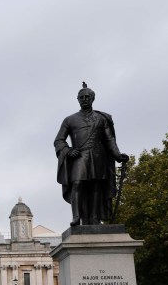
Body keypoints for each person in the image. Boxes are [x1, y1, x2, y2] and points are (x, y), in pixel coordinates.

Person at [54, 82, 129, 226]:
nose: (84, 99)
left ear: (93, 98)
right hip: (79, 156)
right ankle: (77, 217)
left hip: (97, 156)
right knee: (77, 184)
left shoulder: (102, 119)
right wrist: (68, 151)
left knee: (96, 186)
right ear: (78, 99)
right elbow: (59, 140)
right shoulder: (69, 120)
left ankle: (95, 217)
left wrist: (118, 155)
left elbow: (109, 139)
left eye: (87, 97)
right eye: (81, 97)